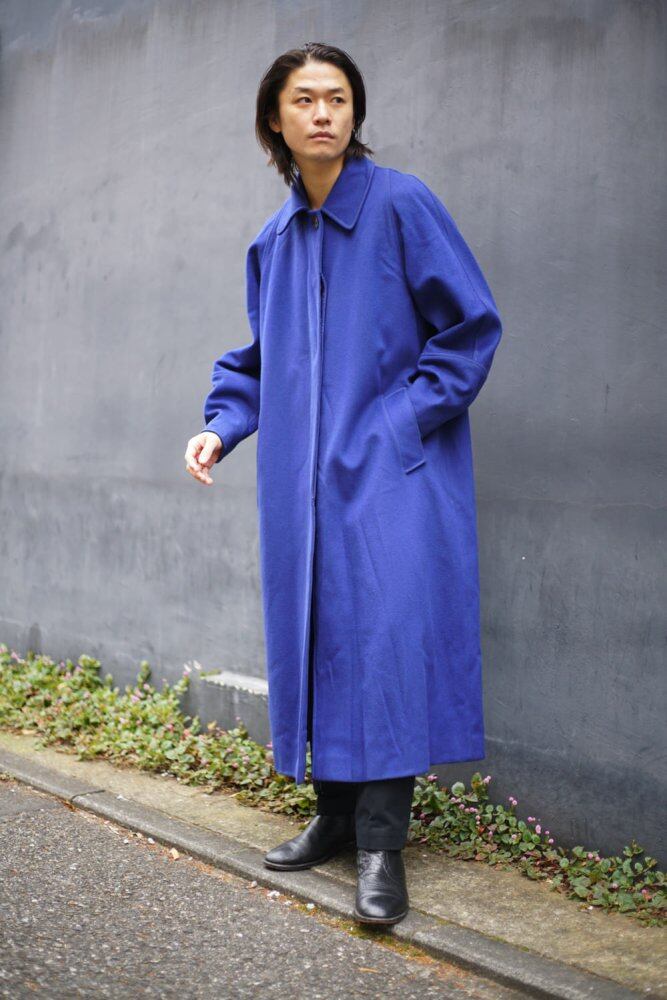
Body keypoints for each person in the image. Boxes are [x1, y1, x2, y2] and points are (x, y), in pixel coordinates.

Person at [185, 43, 503, 926]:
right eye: (304, 99)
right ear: (275, 119)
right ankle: (332, 816)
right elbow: (258, 360)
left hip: (392, 476)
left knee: (385, 644)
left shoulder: (401, 204)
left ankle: (380, 843)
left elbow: (470, 330)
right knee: (320, 637)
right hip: (302, 488)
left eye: (337, 97)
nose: (322, 112)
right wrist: (220, 425)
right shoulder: (274, 241)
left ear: (354, 113)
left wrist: (395, 425)